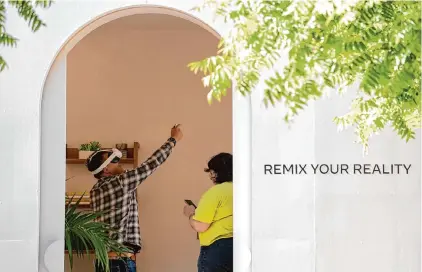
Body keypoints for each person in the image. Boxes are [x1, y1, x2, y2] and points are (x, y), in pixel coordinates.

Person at [86, 124, 183, 272]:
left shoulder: (95, 191)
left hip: (103, 261)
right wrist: (173, 139)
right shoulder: (120, 182)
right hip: (119, 263)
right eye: (113, 161)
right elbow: (151, 164)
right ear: (106, 170)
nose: (119, 162)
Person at [183, 152, 233, 272]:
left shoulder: (215, 192)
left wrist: (190, 214)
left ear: (217, 173)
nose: (210, 176)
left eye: (211, 172)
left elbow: (201, 226)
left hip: (216, 250)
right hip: (240, 249)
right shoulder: (244, 189)